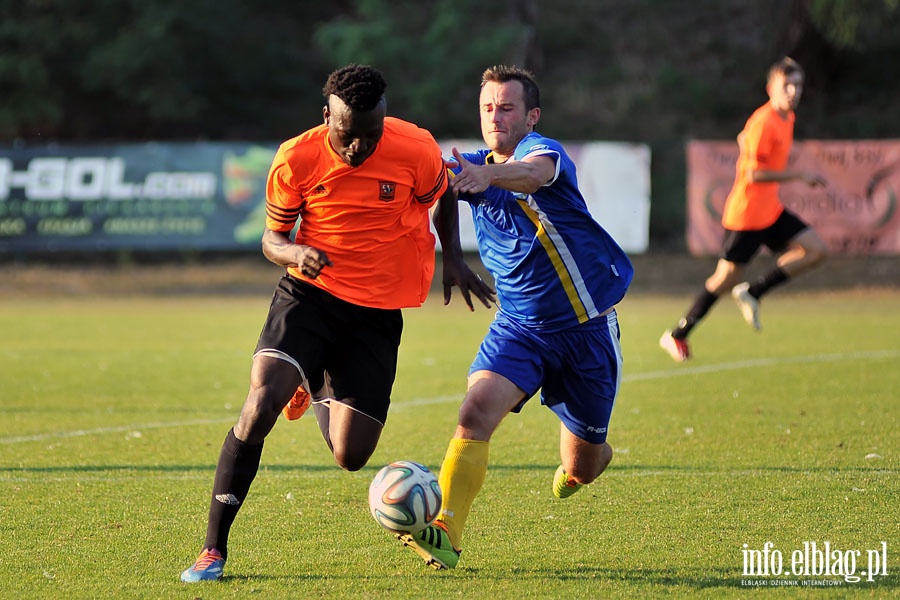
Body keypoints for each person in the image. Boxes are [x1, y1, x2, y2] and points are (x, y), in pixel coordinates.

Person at [180, 64, 492, 582]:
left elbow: (443, 196)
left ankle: (310, 377)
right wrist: (294, 252)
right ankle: (213, 549)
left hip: (375, 313)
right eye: (348, 136)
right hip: (310, 293)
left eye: (372, 135)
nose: (359, 148)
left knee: (351, 456)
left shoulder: (413, 147)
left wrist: (455, 259)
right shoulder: (296, 157)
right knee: (260, 404)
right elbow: (270, 240)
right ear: (327, 117)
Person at [396, 64, 634, 570]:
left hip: (585, 331)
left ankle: (592, 458)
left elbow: (534, 175)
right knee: (474, 414)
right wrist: (453, 258)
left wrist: (486, 175)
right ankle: (447, 529)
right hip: (519, 328)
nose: (495, 117)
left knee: (582, 467)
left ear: (532, 116)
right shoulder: (473, 164)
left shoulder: (540, 153)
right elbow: (443, 194)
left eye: (506, 108)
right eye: (488, 108)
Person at [659, 57, 827, 362]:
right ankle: (676, 334)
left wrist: (746, 142)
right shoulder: (764, 122)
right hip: (747, 215)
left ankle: (754, 292)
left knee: (815, 250)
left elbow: (746, 141)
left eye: (798, 85)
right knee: (723, 280)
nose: (793, 91)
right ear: (770, 88)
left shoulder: (786, 118)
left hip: (770, 211)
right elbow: (753, 174)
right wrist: (799, 176)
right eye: (787, 85)